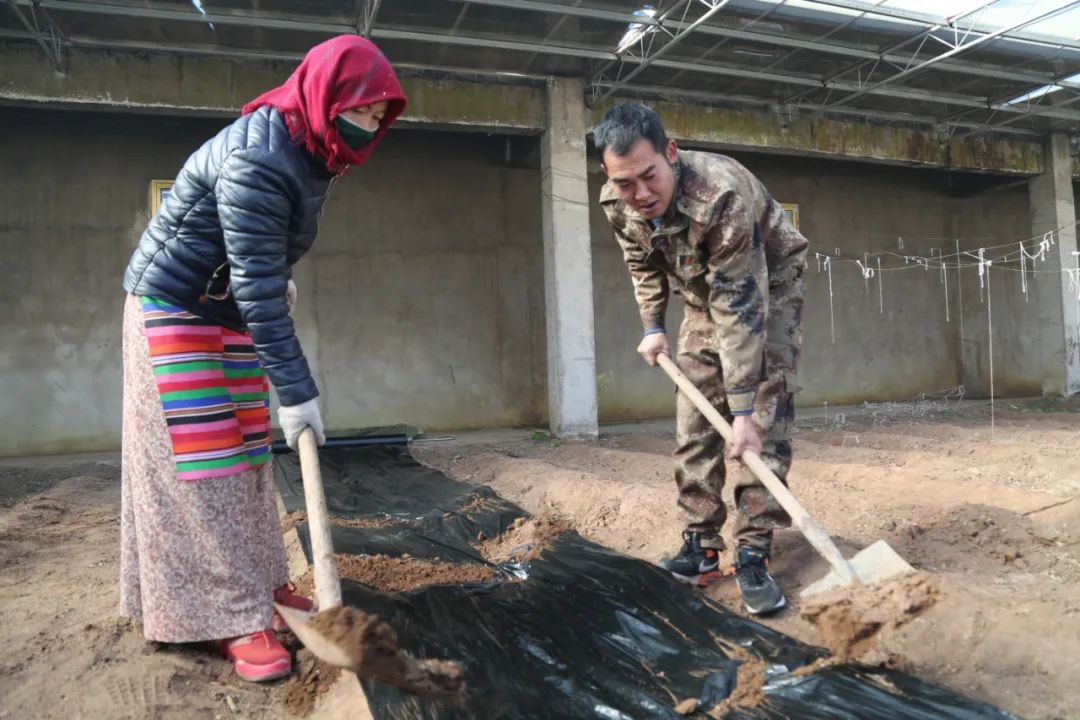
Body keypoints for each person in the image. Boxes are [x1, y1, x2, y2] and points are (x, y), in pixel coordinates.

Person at [119, 35, 406, 681]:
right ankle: (225, 614)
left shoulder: (314, 153)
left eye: (377, 120)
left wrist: (275, 282)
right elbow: (253, 279)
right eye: (360, 113)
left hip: (228, 308)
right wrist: (298, 391)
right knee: (205, 463)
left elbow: (263, 261)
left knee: (249, 456)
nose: (367, 131)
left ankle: (262, 588)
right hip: (175, 306)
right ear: (327, 96)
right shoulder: (260, 155)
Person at [594, 103, 808, 615]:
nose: (641, 194)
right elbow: (642, 262)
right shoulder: (618, 200)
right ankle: (702, 545)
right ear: (608, 176)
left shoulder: (721, 195)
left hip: (767, 287)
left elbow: (739, 303)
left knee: (762, 416)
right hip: (698, 290)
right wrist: (652, 327)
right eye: (626, 183)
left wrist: (742, 413)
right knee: (694, 416)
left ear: (671, 154)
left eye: (650, 177)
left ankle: (753, 551)